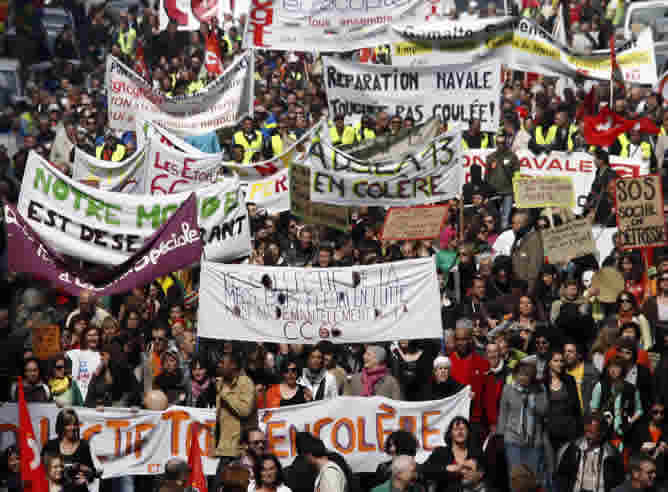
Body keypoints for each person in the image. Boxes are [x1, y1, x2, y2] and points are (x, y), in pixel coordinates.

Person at [496, 360, 549, 485]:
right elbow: (503, 414)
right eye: (521, 374)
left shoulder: (540, 389)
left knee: (532, 478)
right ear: (515, 375)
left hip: (534, 440)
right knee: (515, 477)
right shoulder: (508, 389)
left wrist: (532, 403)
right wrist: (500, 436)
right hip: (513, 439)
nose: (524, 378)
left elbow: (544, 411)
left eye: (527, 375)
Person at [555, 413, 625, 492]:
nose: (588, 436)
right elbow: (563, 475)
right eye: (587, 431)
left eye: (592, 432)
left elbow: (619, 479)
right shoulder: (574, 448)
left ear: (602, 433)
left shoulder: (611, 454)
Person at [213, 351, 256, 472]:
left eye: (222, 362)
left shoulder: (246, 383)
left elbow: (245, 411)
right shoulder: (221, 383)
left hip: (239, 451)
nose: (219, 365)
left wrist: (225, 392)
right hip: (225, 449)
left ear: (233, 365)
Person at [449, 319, 490, 438]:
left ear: (471, 339)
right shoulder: (447, 364)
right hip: (453, 419)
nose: (462, 343)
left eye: (465, 339)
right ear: (454, 340)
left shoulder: (482, 363)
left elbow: (488, 393)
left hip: (476, 420)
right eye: (458, 339)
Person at [422, 417, 483, 492]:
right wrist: (447, 468)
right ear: (450, 433)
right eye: (456, 429)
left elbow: (488, 472)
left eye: (463, 429)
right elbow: (425, 470)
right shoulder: (441, 452)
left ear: (468, 432)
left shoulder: (476, 452)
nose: (460, 432)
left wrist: (478, 474)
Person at [544, 349, 583, 454]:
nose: (559, 364)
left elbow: (577, 407)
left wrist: (580, 430)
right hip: (549, 432)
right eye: (556, 361)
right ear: (549, 363)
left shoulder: (569, 380)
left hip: (569, 431)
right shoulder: (542, 382)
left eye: (561, 361)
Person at [42, 409, 96, 486]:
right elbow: (41, 472)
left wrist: (87, 476)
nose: (73, 427)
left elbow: (92, 473)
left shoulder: (83, 446)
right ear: (61, 426)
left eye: (75, 424)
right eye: (68, 424)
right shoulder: (50, 445)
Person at [629, 400, 668, 482]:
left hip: (661, 475)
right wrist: (641, 451)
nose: (659, 415)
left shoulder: (666, 430)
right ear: (650, 412)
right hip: (644, 476)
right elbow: (632, 452)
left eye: (662, 412)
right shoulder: (640, 429)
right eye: (656, 412)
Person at [510, 210, 544, 292]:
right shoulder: (519, 238)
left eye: (517, 223)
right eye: (513, 223)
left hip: (527, 288)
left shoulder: (534, 239)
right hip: (518, 286)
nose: (514, 226)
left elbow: (534, 267)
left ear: (526, 224)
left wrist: (529, 290)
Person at [563, 340, 599, 415]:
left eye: (570, 352)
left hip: (586, 417)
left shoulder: (591, 372)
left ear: (579, 355)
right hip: (569, 418)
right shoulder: (562, 373)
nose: (566, 354)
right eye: (565, 351)